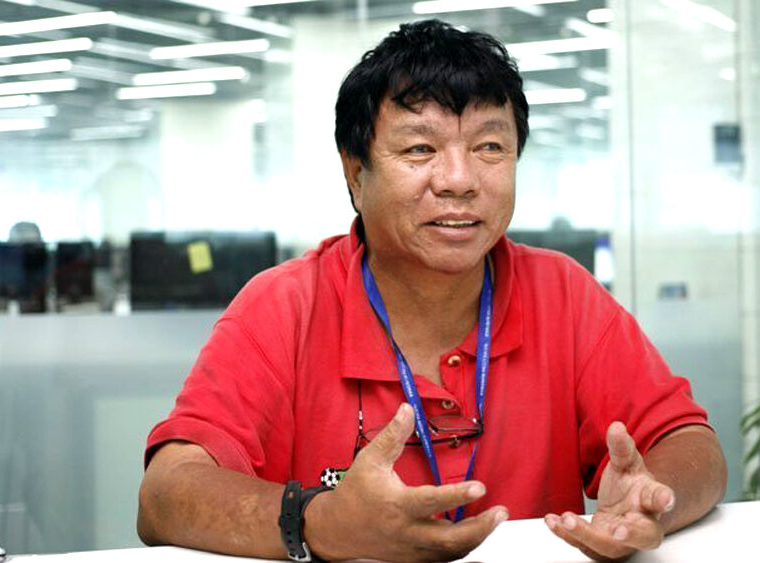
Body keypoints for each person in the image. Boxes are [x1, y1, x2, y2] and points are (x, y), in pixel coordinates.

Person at [137, 20, 727, 562]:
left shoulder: (562, 293)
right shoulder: (286, 306)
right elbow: (165, 494)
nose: (460, 181)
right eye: (420, 148)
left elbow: (689, 442)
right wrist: (319, 521)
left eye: (490, 147)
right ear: (355, 173)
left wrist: (654, 495)